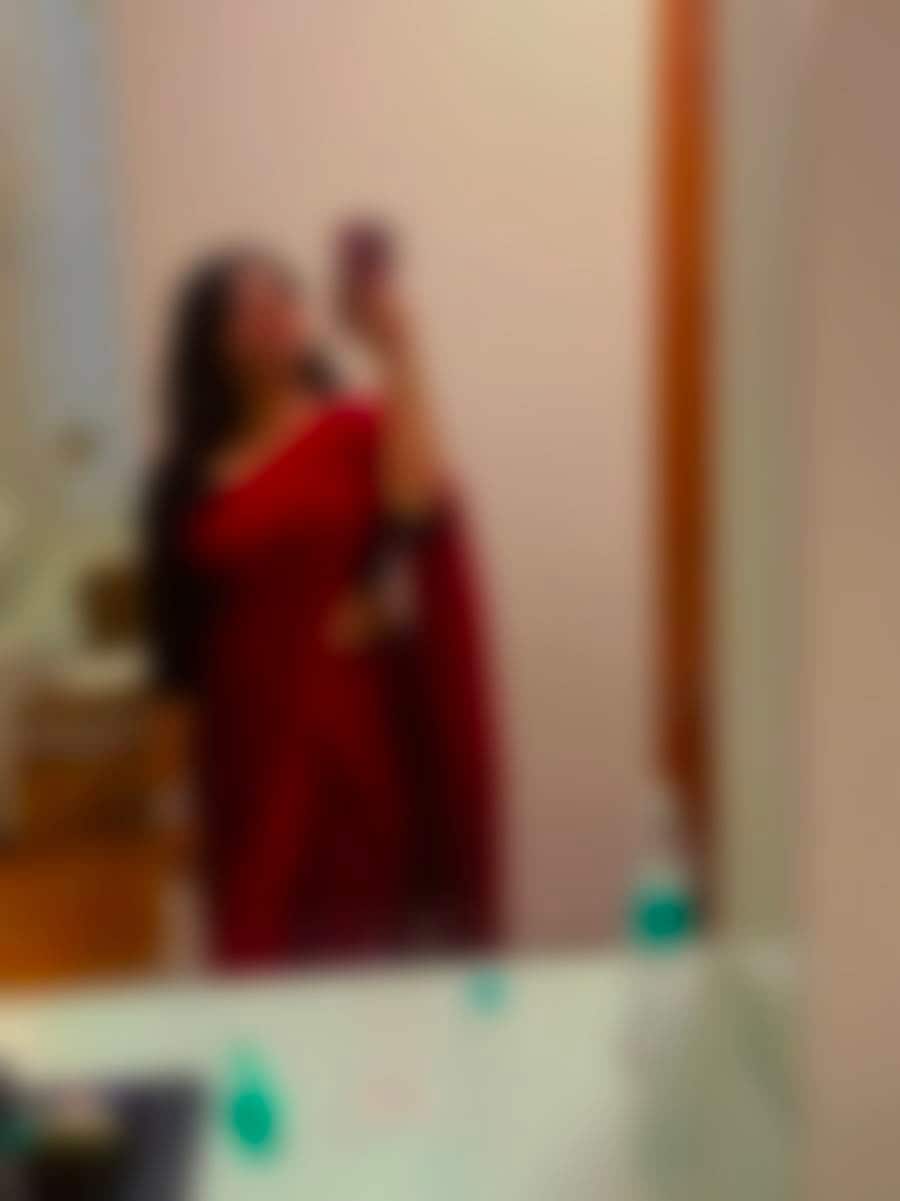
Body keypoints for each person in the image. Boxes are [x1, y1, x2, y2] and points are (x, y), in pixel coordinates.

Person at [144, 246, 497, 968]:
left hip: (351, 738)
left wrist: (398, 347)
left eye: (283, 296)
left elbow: (417, 508)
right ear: (212, 341)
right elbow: (175, 657)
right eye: (247, 308)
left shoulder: (351, 430)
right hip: (245, 753)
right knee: (261, 949)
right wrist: (173, 804)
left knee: (367, 943)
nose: (273, 314)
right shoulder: (181, 478)